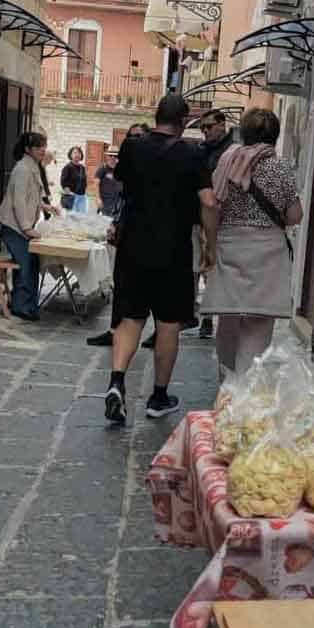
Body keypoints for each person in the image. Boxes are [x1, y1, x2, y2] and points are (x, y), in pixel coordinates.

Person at [105, 94, 217, 428]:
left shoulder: (132, 147)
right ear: (182, 121)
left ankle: (116, 381)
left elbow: (121, 180)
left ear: (156, 116)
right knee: (168, 324)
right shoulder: (193, 154)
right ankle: (158, 397)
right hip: (173, 252)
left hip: (133, 247)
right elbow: (209, 202)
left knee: (130, 318)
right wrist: (210, 245)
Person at [201, 106, 303, 376]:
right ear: (275, 136)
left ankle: (226, 383)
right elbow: (295, 215)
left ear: (244, 134)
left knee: (228, 320)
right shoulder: (281, 168)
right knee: (258, 325)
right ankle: (244, 385)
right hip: (267, 254)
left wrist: (210, 245)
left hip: (230, 247)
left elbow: (212, 207)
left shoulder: (227, 163)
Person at [86, 124, 151, 348]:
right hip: (126, 231)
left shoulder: (154, 164)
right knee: (121, 282)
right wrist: (114, 222)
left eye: (139, 136)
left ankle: (157, 332)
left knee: (147, 288)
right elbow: (123, 199)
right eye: (131, 137)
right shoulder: (126, 166)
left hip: (150, 235)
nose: (134, 140)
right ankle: (114, 331)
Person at [0, 130, 58, 322]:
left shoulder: (33, 167)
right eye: (38, 146)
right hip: (13, 227)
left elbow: (34, 196)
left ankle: (29, 305)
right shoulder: (22, 168)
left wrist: (47, 207)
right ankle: (21, 307)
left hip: (21, 227)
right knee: (25, 264)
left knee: (33, 262)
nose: (42, 150)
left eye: (43, 146)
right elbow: (19, 202)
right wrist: (26, 228)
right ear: (28, 149)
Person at [195, 110, 236, 340]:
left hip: (224, 218)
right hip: (201, 216)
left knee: (217, 270)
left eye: (209, 127)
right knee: (202, 267)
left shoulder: (233, 151)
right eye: (202, 128)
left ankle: (211, 317)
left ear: (222, 124)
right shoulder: (202, 150)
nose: (205, 131)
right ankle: (204, 316)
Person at [95, 147, 123, 218]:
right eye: (111, 155)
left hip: (117, 202)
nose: (113, 157)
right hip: (105, 202)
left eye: (115, 156)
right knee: (103, 222)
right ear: (107, 156)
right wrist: (98, 198)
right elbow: (96, 184)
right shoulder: (103, 169)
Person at [60, 145, 88, 213]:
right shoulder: (67, 167)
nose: (77, 154)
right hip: (72, 196)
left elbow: (84, 181)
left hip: (82, 197)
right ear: (70, 155)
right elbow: (63, 182)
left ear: (81, 155)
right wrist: (69, 194)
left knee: (81, 216)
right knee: (71, 216)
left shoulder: (82, 168)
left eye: (79, 153)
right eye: (75, 153)